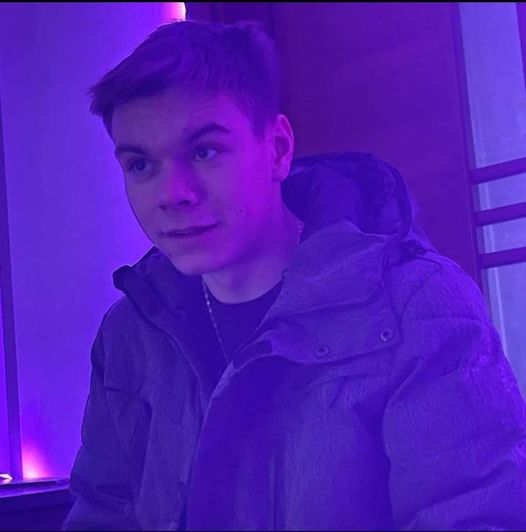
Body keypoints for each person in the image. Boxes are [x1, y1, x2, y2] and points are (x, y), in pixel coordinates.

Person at [63, 18, 526, 531]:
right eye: (140, 165)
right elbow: (102, 510)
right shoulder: (131, 332)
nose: (173, 194)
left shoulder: (418, 306)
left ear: (278, 149)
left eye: (204, 151)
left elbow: (475, 514)